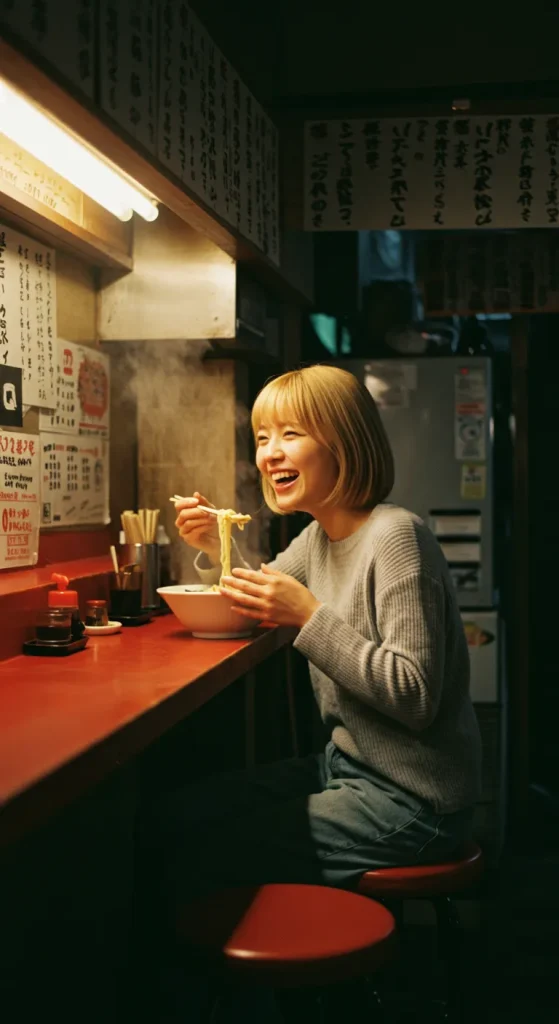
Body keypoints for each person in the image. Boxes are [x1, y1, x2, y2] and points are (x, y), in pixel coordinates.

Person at [145, 363, 481, 912]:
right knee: (175, 815)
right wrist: (213, 543)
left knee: (203, 853)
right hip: (347, 768)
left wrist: (308, 616)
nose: (269, 453)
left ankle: (257, 996)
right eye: (261, 438)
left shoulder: (396, 537)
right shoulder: (317, 537)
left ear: (344, 442)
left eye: (290, 434)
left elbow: (416, 696)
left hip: (418, 800)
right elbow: (257, 595)